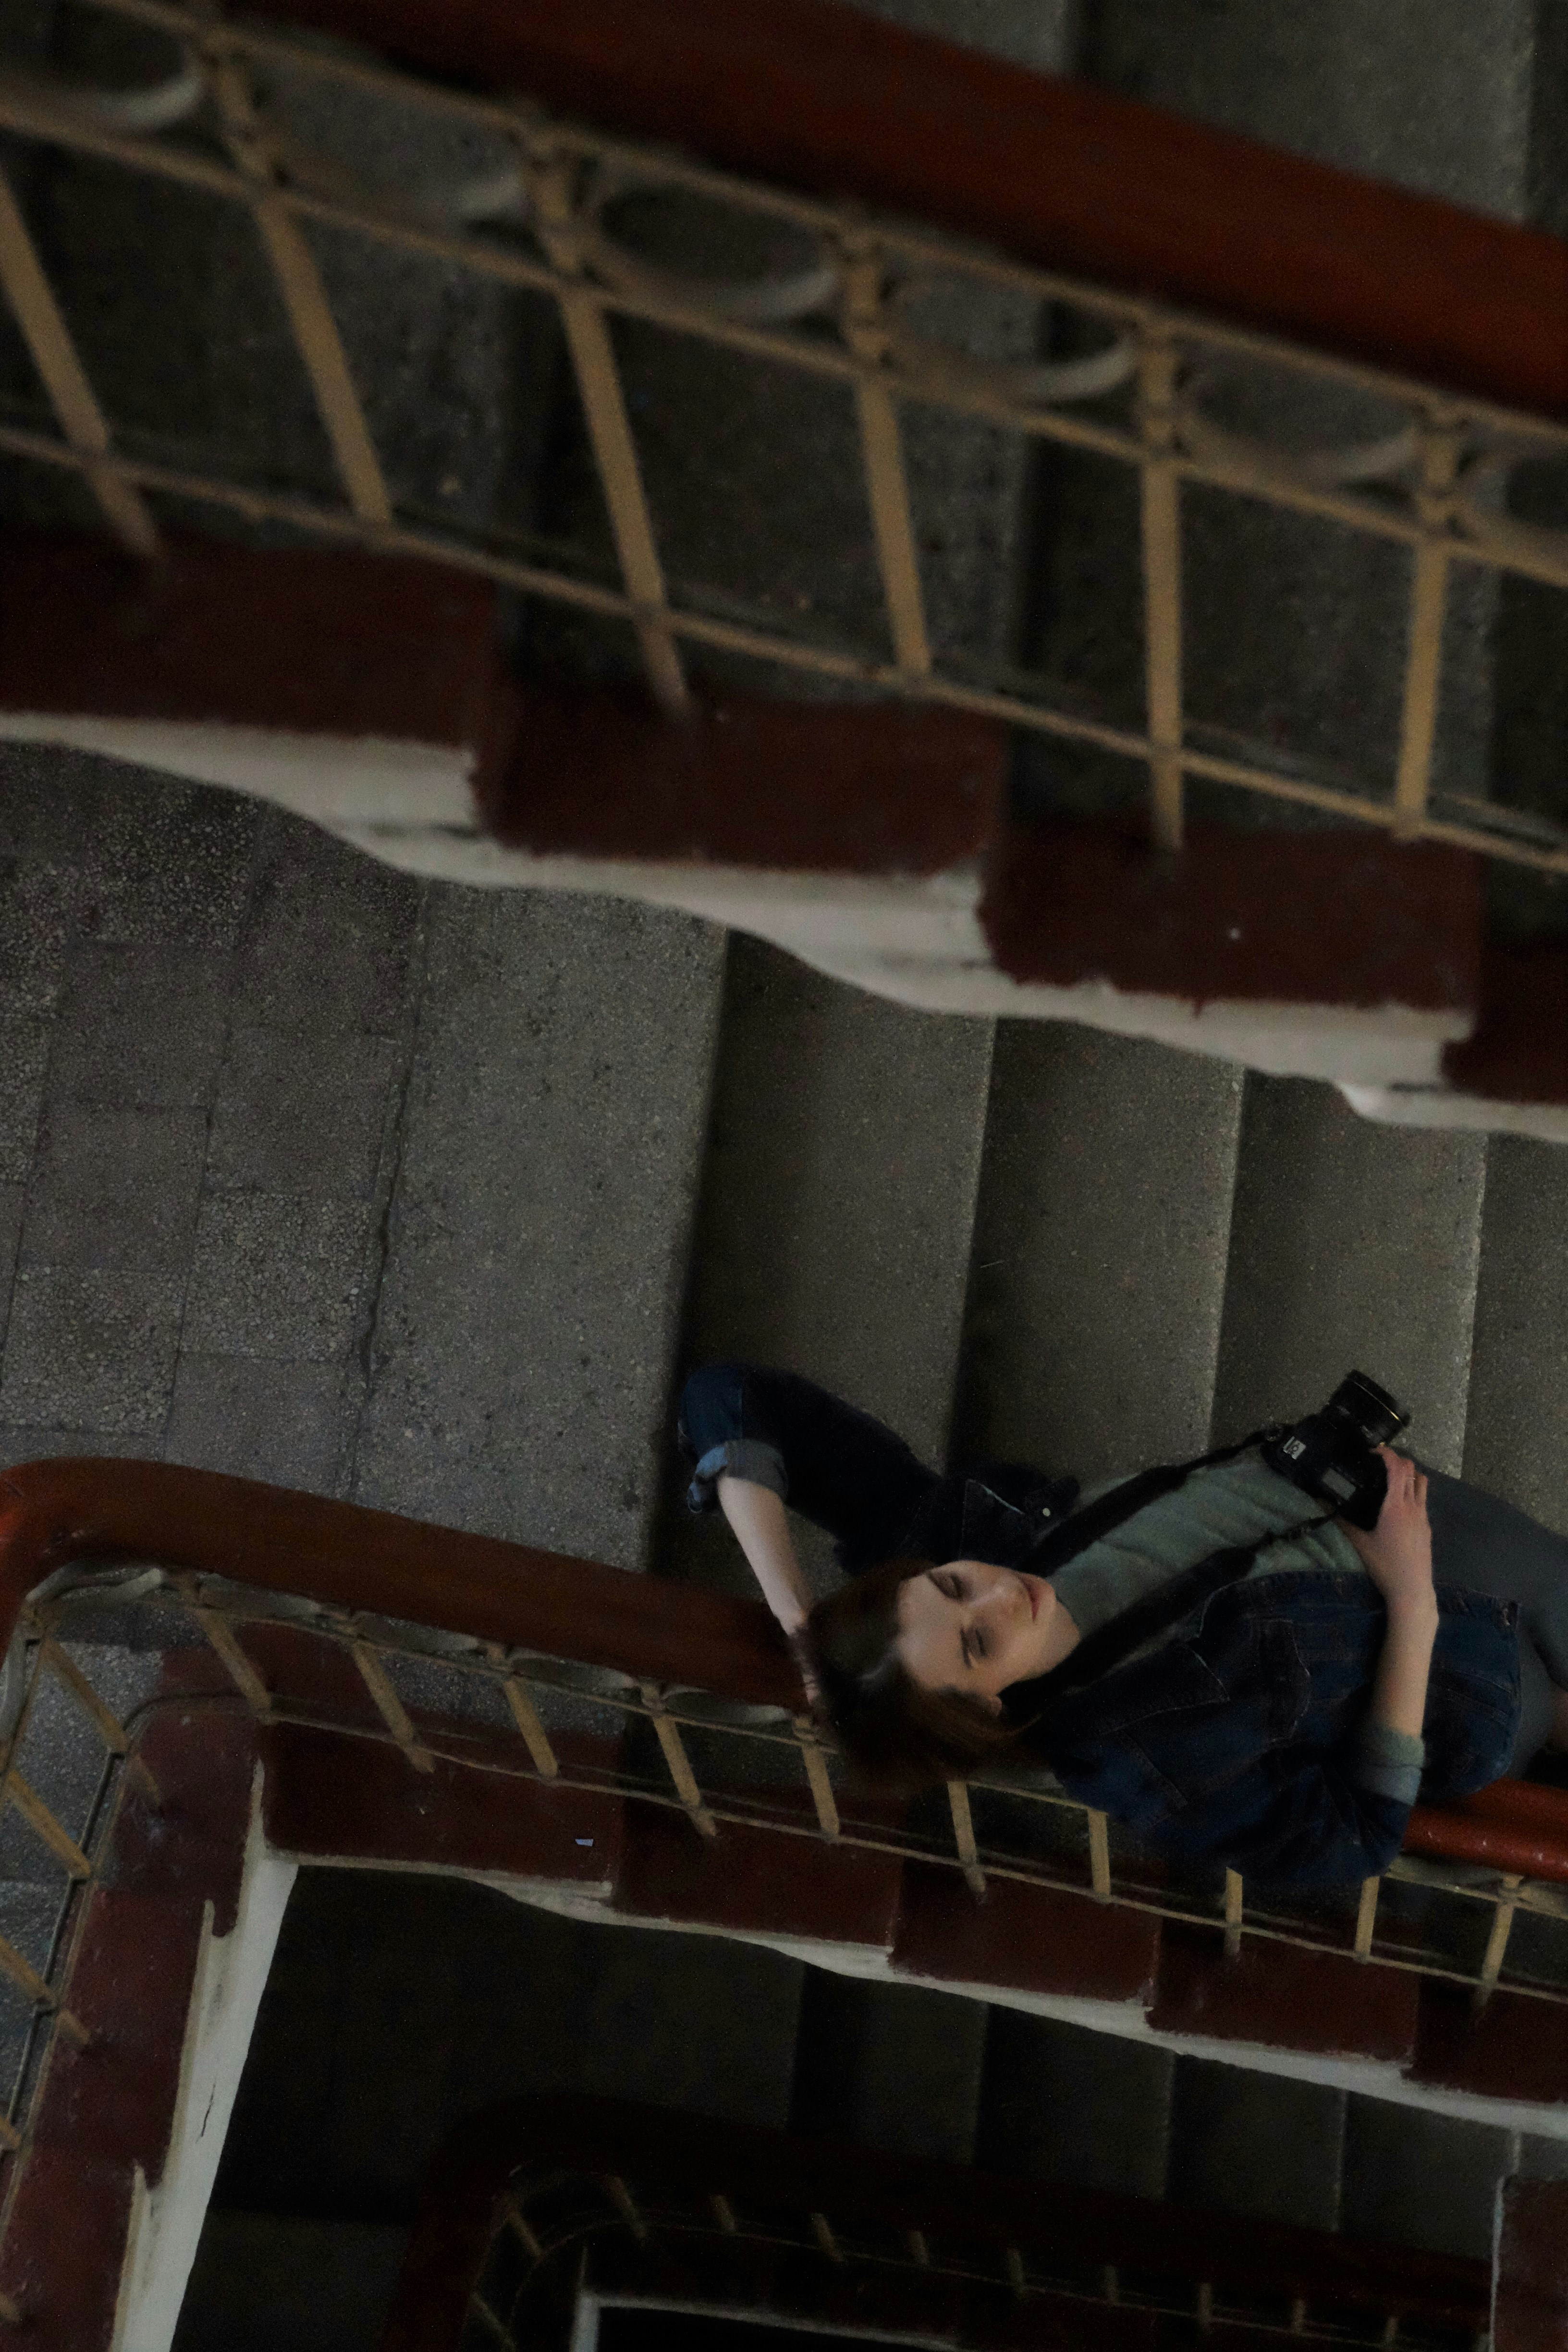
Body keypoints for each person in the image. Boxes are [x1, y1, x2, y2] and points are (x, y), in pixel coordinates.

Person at [678, 1360, 1568, 1888]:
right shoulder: (1148, 1764)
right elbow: (1352, 1839)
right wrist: (1411, 1601)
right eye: (979, 1643)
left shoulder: (959, 1537)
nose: (1001, 1596)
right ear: (984, 1711)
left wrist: (798, 1619)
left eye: (952, 1586)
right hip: (1457, 1675)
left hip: (1403, 1517)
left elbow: (730, 1395)